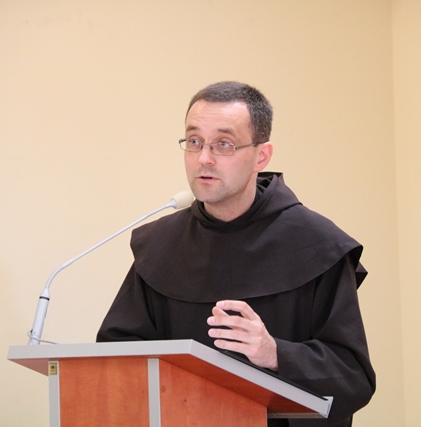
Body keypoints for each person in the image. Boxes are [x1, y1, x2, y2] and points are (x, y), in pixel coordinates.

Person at [96, 81, 375, 426]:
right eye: (194, 141)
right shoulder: (159, 245)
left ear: (262, 156)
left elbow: (353, 378)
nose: (204, 158)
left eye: (223, 144)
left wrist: (275, 354)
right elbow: (117, 358)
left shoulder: (318, 244)